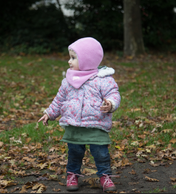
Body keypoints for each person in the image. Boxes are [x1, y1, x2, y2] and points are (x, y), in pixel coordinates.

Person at [38, 37, 121, 192]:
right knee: (74, 152)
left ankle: (105, 176)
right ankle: (72, 174)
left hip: (96, 123)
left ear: (87, 59)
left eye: (73, 58)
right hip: (74, 124)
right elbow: (59, 99)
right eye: (70, 57)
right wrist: (50, 113)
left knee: (101, 153)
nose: (69, 61)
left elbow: (113, 93)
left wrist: (110, 103)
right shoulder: (69, 80)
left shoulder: (103, 79)